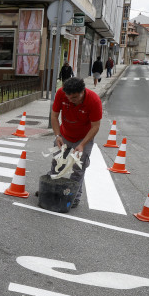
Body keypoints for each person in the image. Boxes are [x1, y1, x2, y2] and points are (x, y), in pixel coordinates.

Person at [48, 77, 102, 208]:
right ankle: (50, 190)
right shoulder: (61, 94)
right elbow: (54, 116)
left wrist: (82, 144)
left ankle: (73, 197)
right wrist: (57, 135)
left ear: (83, 91)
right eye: (69, 97)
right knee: (57, 162)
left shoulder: (94, 100)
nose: (72, 100)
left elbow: (95, 126)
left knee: (78, 168)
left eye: (76, 97)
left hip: (84, 137)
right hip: (64, 134)